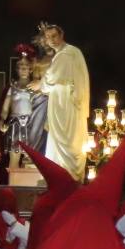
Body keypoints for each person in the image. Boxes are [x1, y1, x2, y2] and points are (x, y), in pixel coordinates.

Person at [38, 22, 90, 180]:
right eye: (48, 37)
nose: (51, 40)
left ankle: (65, 173)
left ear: (61, 36)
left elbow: (51, 79)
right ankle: (59, 171)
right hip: (62, 100)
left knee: (65, 136)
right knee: (58, 136)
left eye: (54, 36)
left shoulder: (66, 54)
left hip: (65, 102)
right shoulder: (66, 53)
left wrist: (40, 83)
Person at [0, 45, 46, 168]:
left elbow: (41, 105)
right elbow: (5, 108)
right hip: (15, 124)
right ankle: (12, 186)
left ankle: (29, 185)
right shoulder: (12, 87)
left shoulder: (35, 88)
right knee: (14, 156)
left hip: (31, 124)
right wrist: (2, 120)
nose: (23, 70)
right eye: (21, 68)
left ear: (30, 70)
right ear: (17, 70)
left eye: (26, 68)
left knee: (31, 158)